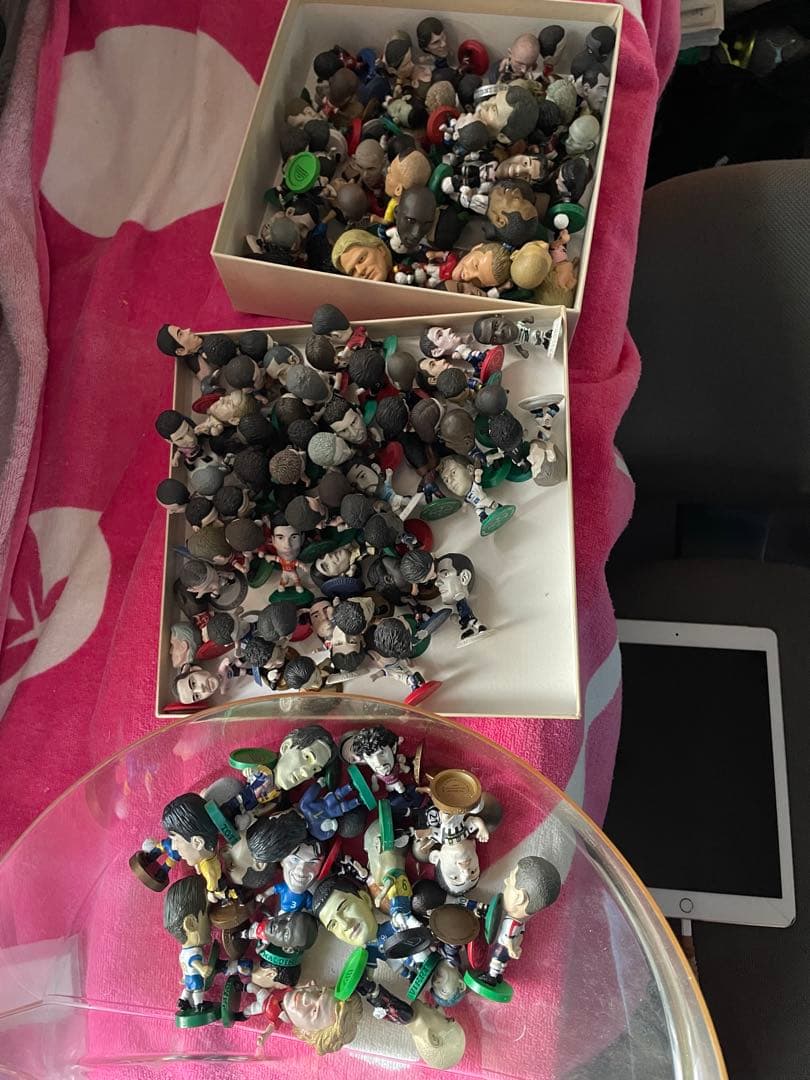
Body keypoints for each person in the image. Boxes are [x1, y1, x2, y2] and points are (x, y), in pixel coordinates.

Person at [163, 875, 217, 1020]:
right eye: (207, 913)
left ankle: (183, 1001)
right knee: (198, 989)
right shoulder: (194, 951)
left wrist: (183, 977)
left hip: (187, 977)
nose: (211, 921)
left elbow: (184, 964)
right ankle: (199, 1005)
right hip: (194, 976)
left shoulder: (183, 952)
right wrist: (202, 969)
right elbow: (193, 962)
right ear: (191, 924)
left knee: (188, 989)